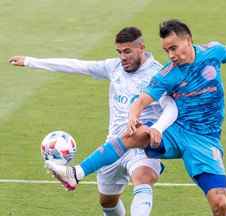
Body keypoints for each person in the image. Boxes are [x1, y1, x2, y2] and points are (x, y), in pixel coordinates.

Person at [35, 21, 226, 216]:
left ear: (188, 40)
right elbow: (142, 99)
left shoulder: (211, 53)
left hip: (205, 140)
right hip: (177, 131)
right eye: (166, 50)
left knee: (220, 203)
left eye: (174, 48)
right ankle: (75, 173)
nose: (171, 55)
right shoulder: (168, 74)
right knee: (135, 135)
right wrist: (134, 117)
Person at [9, 27, 179, 216]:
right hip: (113, 146)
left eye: (127, 51)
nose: (123, 57)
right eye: (119, 52)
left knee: (143, 178)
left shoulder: (158, 74)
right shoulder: (113, 67)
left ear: (141, 47)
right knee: (107, 202)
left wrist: (157, 128)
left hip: (141, 144)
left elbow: (172, 107)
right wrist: (31, 62)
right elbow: (76, 65)